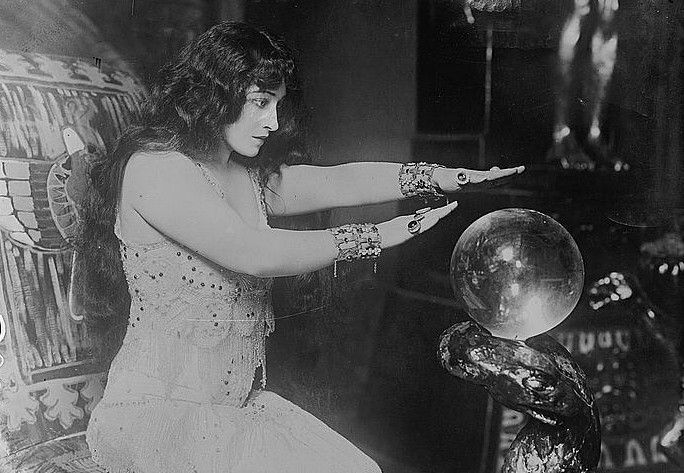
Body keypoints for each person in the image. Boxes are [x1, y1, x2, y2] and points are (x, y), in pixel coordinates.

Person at [78, 21, 524, 473]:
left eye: (276, 104)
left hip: (235, 416)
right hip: (157, 420)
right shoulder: (154, 169)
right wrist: (375, 237)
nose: (272, 122)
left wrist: (441, 176)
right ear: (215, 93)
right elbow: (255, 253)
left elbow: (338, 180)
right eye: (259, 102)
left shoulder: (244, 174)